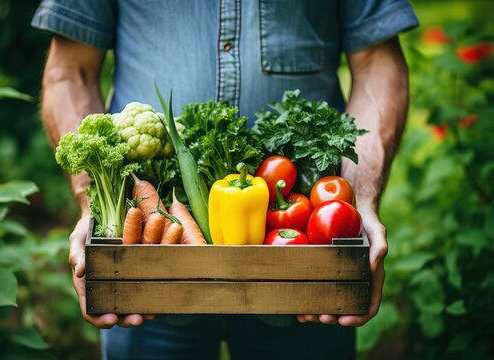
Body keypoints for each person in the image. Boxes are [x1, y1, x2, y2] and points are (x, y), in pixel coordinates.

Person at [32, 1, 419, 358]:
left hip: (308, 268)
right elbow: (71, 71)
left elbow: (376, 64)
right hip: (145, 272)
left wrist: (362, 201)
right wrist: (92, 205)